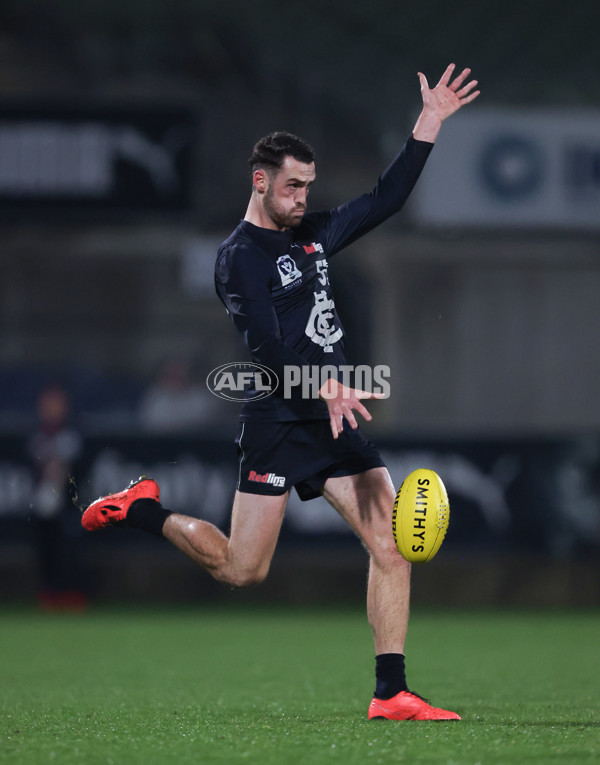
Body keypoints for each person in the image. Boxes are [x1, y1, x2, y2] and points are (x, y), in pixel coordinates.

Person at [82, 64, 480, 720]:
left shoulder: (314, 234)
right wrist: (321, 380)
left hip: (334, 414)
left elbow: (384, 200)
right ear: (260, 181)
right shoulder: (239, 256)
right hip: (280, 418)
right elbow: (264, 341)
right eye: (293, 187)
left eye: (308, 187)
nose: (302, 198)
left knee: (390, 544)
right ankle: (141, 509)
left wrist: (428, 124)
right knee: (243, 569)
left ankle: (391, 692)